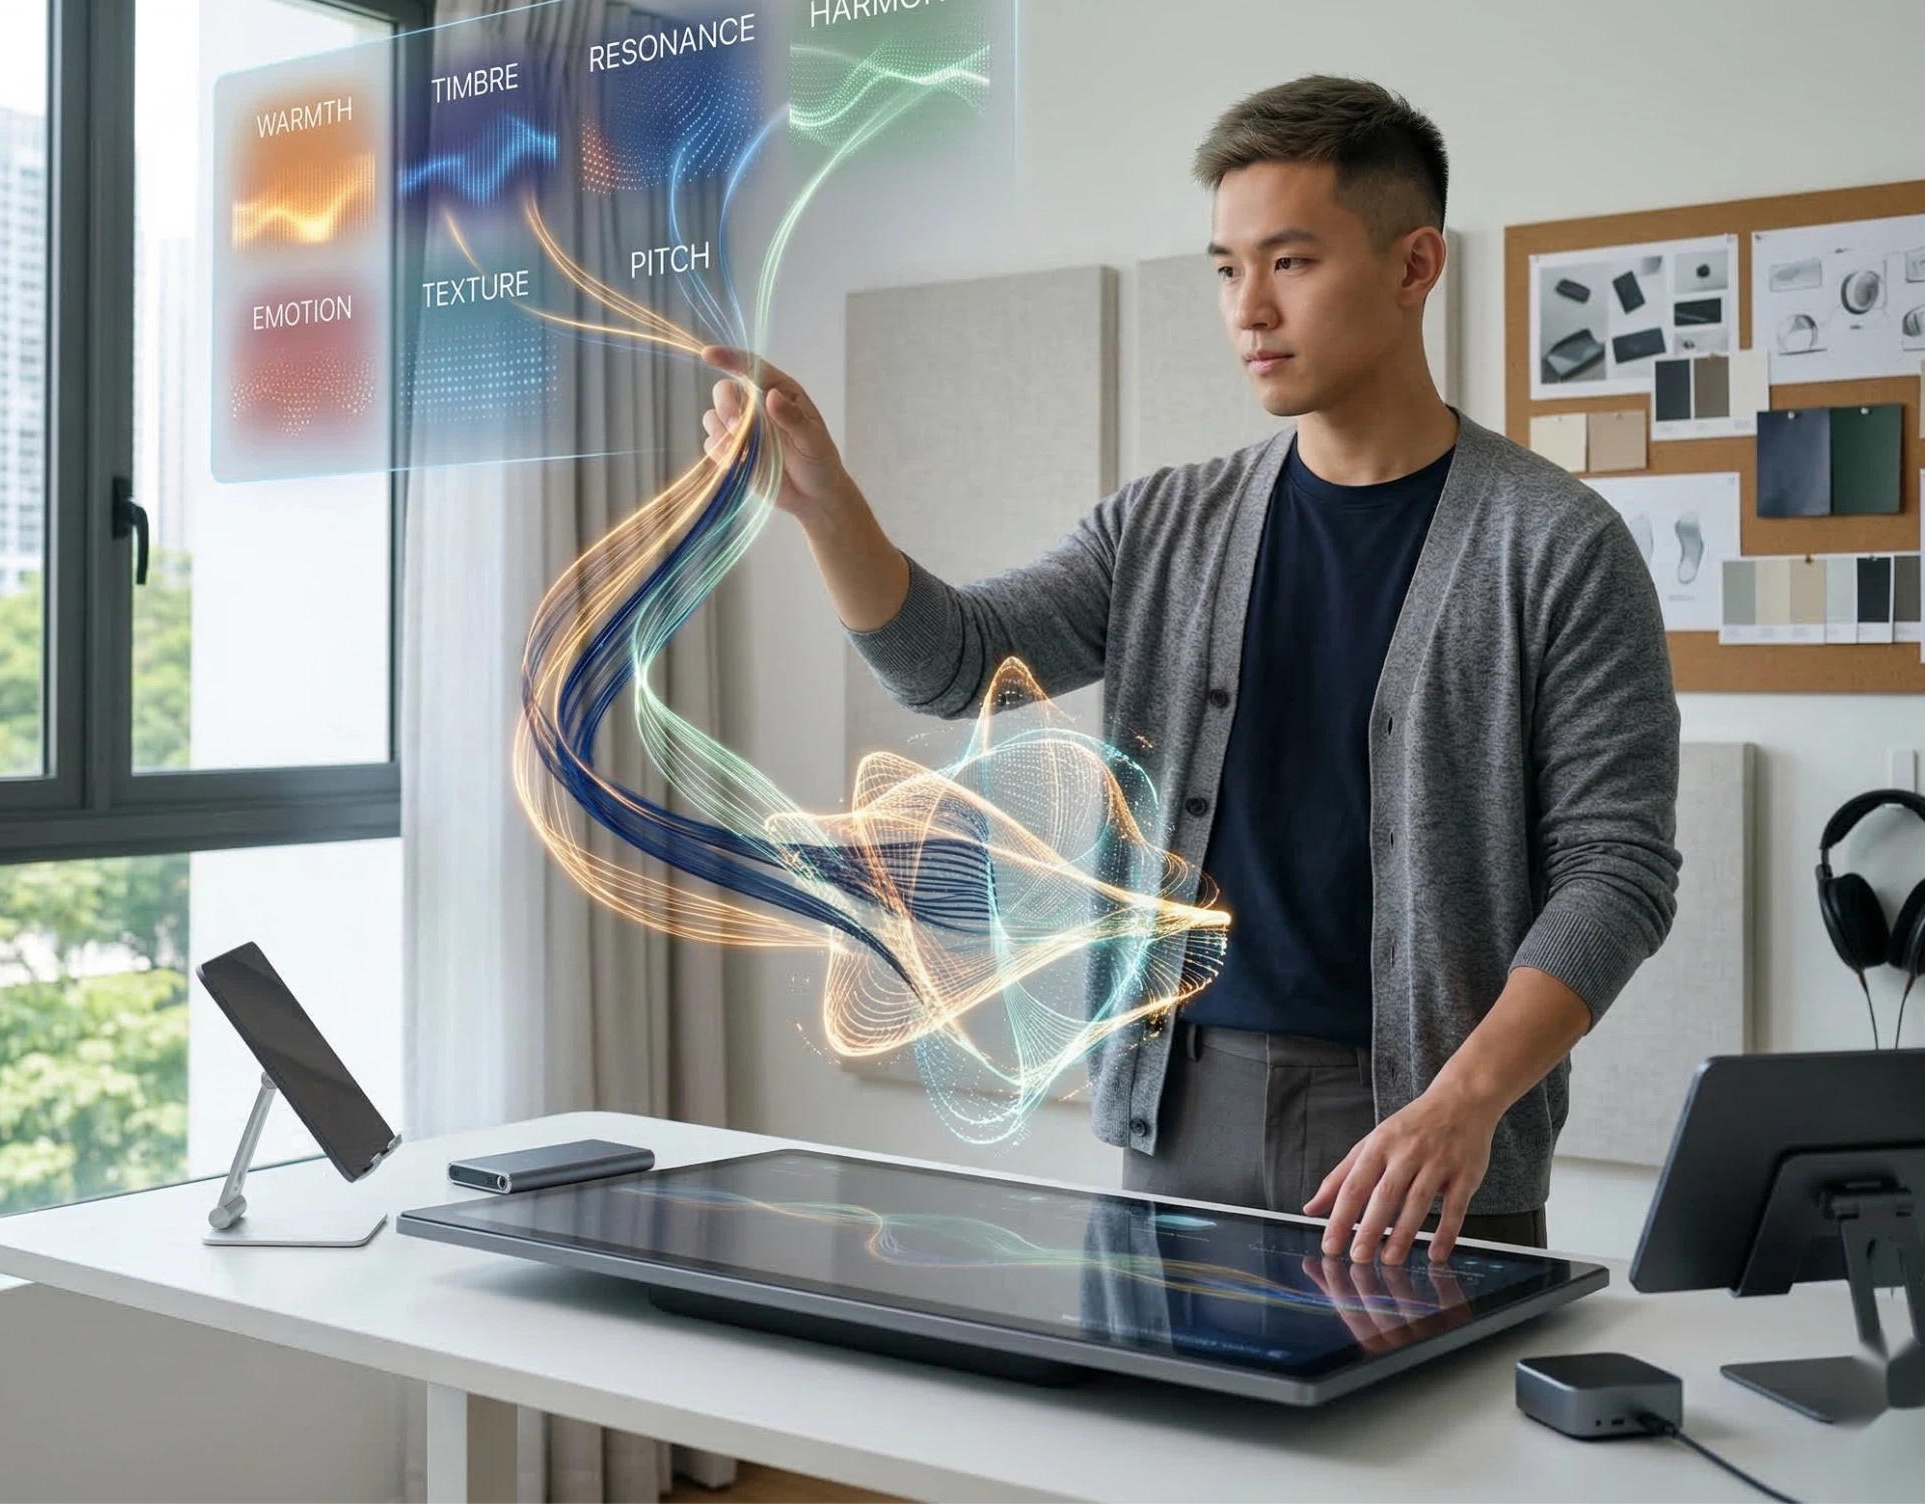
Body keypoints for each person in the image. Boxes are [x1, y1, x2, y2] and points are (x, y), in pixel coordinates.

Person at [701, 74, 1680, 1264]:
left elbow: (1613, 872)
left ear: (1415, 265)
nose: (1247, 310)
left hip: (1421, 1129)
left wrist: (1465, 1104)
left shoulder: (1557, 546)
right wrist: (824, 507)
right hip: (1179, 1105)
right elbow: (952, 664)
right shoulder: (1165, 525)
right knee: (1159, 1448)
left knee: (1423, 1453)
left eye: (1291, 262)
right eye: (1225, 268)